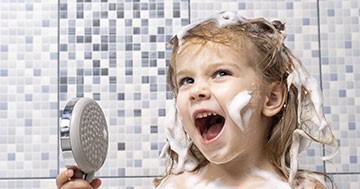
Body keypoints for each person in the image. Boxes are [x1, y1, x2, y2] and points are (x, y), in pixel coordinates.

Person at [56, 11, 338, 189]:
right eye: (186, 80)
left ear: (272, 97)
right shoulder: (175, 186)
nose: (197, 90)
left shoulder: (302, 188)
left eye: (220, 73)